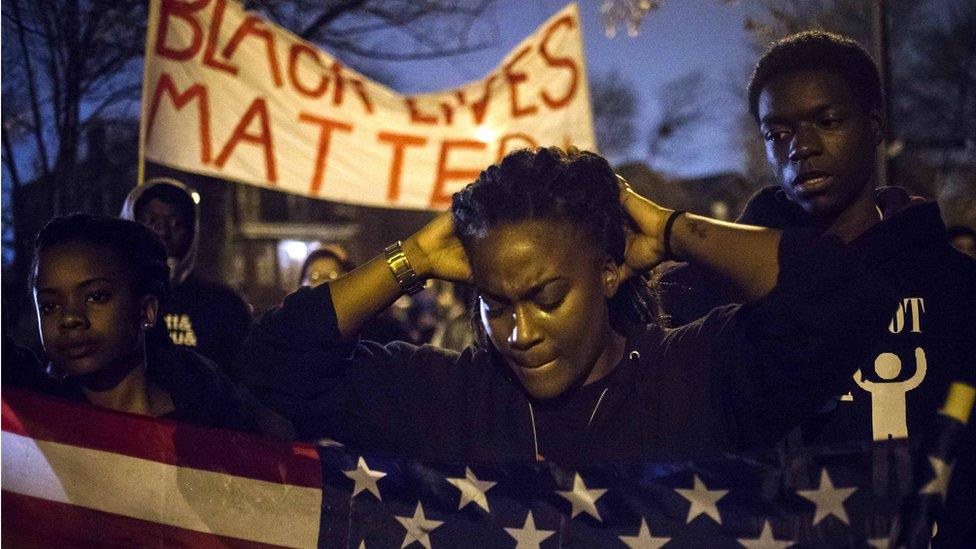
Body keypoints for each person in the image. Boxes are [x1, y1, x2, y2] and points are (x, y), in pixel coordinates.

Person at [240, 147, 898, 464]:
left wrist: (669, 228)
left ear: (610, 270)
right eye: (495, 303)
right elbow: (272, 363)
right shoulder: (445, 393)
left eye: (547, 297)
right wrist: (409, 257)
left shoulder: (698, 374)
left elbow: (839, 298)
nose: (519, 331)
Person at [27, 213, 293, 438]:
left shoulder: (219, 421)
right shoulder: (33, 426)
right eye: (50, 305)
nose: (70, 318)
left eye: (96, 296)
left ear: (147, 310)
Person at [121, 177, 252, 382]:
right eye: (151, 222)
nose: (163, 232)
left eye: (177, 223)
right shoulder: (112, 301)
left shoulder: (224, 305)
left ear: (193, 232)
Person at [298, 244, 414, 345]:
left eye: (331, 276)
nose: (322, 283)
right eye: (314, 277)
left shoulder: (381, 329)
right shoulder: (290, 331)